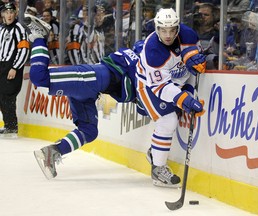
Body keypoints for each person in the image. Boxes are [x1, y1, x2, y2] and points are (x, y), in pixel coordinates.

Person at [24, 13, 139, 180]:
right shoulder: (144, 58)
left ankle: (52, 153)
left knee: (89, 131)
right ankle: (39, 36)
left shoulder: (144, 61)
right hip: (91, 77)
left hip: (93, 89)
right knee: (39, 77)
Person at [136, 8, 206, 188]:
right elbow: (160, 86)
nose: (167, 35)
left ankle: (154, 154)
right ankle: (158, 169)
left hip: (176, 81)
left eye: (172, 30)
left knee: (172, 119)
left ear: (177, 28)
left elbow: (194, 61)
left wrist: (196, 64)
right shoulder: (153, 49)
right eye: (163, 30)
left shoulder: (188, 35)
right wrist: (185, 99)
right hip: (149, 85)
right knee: (168, 121)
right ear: (156, 28)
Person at [0, 2, 30, 138]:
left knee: (8, 97)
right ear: (2, 15)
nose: (9, 15)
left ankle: (12, 127)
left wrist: (15, 67)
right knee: (1, 97)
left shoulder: (19, 29)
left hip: (11, 67)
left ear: (15, 13)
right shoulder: (1, 29)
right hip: (1, 66)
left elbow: (24, 49)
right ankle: (8, 125)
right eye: (6, 12)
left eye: (11, 12)